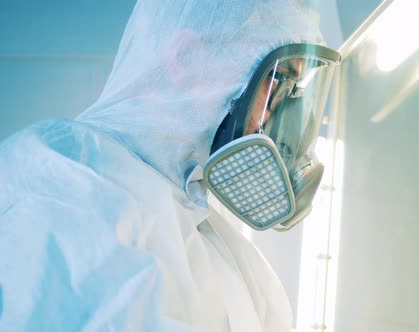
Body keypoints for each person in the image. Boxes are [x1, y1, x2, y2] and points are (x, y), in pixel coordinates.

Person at [0, 0, 341, 331]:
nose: (276, 112)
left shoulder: (230, 252)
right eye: (279, 77)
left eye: (293, 88)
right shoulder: (55, 179)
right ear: (188, 59)